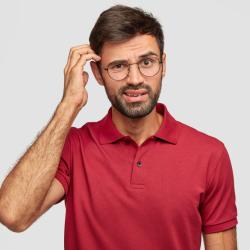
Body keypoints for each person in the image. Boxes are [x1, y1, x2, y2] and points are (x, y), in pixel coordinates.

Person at [0, 4, 238, 250]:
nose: (135, 79)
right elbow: (13, 215)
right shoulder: (74, 147)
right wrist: (67, 107)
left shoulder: (209, 154)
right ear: (98, 73)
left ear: (163, 65)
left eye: (147, 62)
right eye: (118, 66)